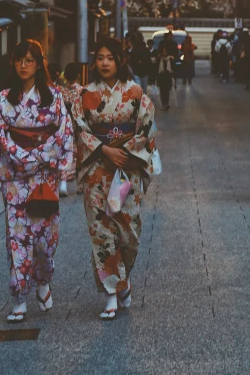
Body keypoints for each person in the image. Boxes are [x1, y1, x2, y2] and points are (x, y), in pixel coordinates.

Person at [0, 39, 74, 323]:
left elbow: (63, 133)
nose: (24, 65)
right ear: (12, 63)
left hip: (44, 176)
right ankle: (19, 298)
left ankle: (43, 281)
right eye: (19, 60)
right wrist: (21, 157)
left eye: (30, 60)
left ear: (39, 64)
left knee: (45, 238)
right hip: (16, 179)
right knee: (17, 238)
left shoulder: (53, 97)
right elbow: (0, 135)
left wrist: (41, 156)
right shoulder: (5, 98)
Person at [71, 38, 156, 321]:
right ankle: (110, 293)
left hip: (125, 170)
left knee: (128, 232)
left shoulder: (135, 92)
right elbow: (79, 128)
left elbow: (145, 128)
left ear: (119, 60)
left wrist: (124, 151)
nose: (104, 63)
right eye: (100, 58)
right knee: (101, 232)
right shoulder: (85, 94)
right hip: (97, 169)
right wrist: (104, 148)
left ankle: (123, 278)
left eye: (110, 57)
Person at [59, 62, 82, 197]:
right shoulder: (81, 91)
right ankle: (80, 184)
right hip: (78, 125)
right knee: (79, 154)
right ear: (78, 75)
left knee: (65, 153)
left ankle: (63, 183)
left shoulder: (61, 91)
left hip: (63, 125)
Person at [157, 46, 175, 110]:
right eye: (163, 51)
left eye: (165, 51)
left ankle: (166, 103)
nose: (164, 52)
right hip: (161, 76)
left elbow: (173, 67)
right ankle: (163, 104)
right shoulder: (159, 58)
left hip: (168, 75)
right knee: (162, 91)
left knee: (167, 90)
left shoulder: (170, 59)